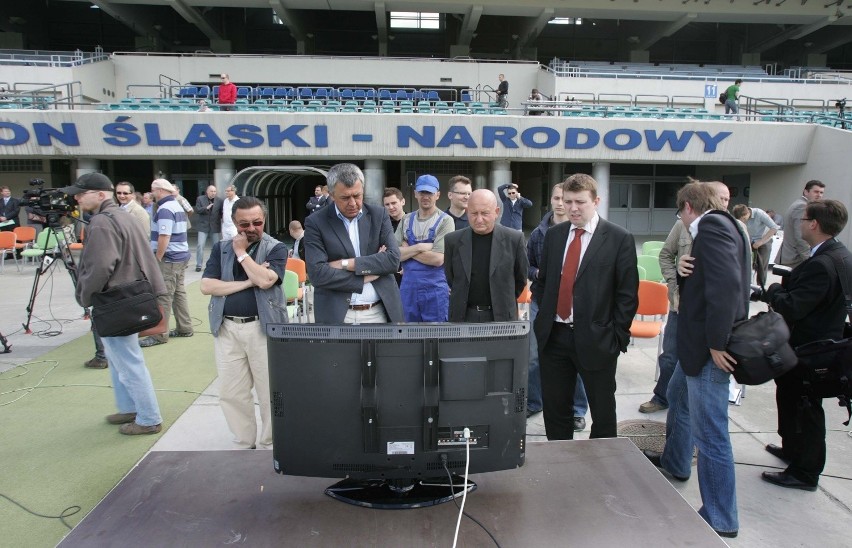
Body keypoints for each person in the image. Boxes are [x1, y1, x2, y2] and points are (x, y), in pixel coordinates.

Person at [645, 181, 749, 539]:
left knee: (711, 434)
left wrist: (718, 343)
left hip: (707, 351)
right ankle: (675, 462)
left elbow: (727, 287)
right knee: (676, 397)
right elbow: (715, 277)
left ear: (688, 207)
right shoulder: (728, 225)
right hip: (696, 349)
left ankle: (721, 516)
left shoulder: (713, 227)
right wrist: (690, 269)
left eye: (680, 214)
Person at [534, 174, 639, 440]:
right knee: (556, 409)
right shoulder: (555, 235)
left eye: (580, 202)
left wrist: (617, 337)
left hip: (598, 339)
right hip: (554, 337)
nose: (573, 208)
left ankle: (602, 466)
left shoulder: (618, 238)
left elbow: (627, 294)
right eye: (567, 201)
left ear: (596, 201)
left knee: (603, 412)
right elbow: (543, 281)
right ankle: (561, 461)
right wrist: (544, 319)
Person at [63, 172, 166, 435]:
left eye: (81, 193)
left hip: (117, 298)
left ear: (99, 195)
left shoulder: (101, 221)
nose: (76, 197)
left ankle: (148, 417)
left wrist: (84, 295)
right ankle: (131, 408)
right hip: (131, 295)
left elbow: (100, 265)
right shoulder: (122, 216)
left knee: (127, 360)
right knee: (122, 358)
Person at [760, 200, 852, 492]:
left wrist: (773, 289)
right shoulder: (840, 255)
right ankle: (792, 450)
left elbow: (794, 307)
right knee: (790, 401)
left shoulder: (822, 265)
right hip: (820, 344)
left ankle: (805, 472)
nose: (799, 223)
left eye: (803, 219)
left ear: (814, 224)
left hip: (810, 351)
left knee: (805, 409)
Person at [200, 196, 288, 449]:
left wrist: (241, 254)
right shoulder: (220, 248)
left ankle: (270, 443)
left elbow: (266, 281)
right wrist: (248, 281)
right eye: (244, 224)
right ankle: (243, 442)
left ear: (265, 220)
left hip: (263, 328)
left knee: (269, 391)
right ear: (234, 223)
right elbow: (207, 286)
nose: (251, 229)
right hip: (226, 328)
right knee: (231, 391)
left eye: (257, 222)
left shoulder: (276, 248)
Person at [639, 180, 732, 414]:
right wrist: (675, 281)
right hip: (680, 307)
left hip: (709, 315)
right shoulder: (683, 226)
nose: (721, 203)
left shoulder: (732, 230)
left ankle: (689, 404)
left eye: (726, 199)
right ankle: (662, 397)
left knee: (700, 367)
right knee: (671, 357)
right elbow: (665, 256)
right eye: (717, 198)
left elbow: (729, 285)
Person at [304, 163, 403, 324]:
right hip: (338, 315)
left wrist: (345, 264)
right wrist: (369, 274)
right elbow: (318, 274)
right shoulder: (315, 222)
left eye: (357, 196)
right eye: (345, 197)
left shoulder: (379, 215)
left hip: (380, 312)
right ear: (331, 195)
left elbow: (393, 260)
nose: (353, 203)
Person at [527, 183, 589, 429]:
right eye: (557, 198)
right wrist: (539, 273)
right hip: (541, 302)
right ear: (551, 201)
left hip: (573, 307)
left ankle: (576, 409)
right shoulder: (538, 234)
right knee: (533, 357)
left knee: (576, 358)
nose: (562, 203)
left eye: (566, 199)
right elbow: (527, 265)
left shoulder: (582, 233)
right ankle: (534, 402)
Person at [444, 189, 528, 322]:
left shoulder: (514, 239)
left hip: (501, 316)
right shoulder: (452, 241)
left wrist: (502, 300)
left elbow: (521, 278)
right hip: (463, 316)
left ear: (496, 212)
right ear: (467, 212)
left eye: (484, 213)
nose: (479, 219)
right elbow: (451, 278)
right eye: (474, 213)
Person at [139, 178, 193, 347]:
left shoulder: (165, 208)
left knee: (163, 295)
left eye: (152, 190)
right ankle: (185, 327)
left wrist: (157, 258)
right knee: (178, 293)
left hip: (169, 258)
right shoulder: (176, 205)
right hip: (180, 256)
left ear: (161, 190)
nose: (151, 194)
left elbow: (164, 236)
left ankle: (160, 334)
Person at [395, 175, 454, 322]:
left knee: (437, 336)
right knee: (409, 335)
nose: (425, 197)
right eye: (422, 192)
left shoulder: (446, 221)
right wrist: (422, 247)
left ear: (437, 195)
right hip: (408, 289)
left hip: (435, 291)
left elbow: (438, 259)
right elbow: (394, 254)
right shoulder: (406, 219)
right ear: (415, 193)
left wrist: (408, 249)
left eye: (430, 193)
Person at [777, 180, 826, 268]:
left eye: (821, 192)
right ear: (806, 192)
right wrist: (809, 259)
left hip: (793, 257)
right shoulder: (802, 207)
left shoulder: (801, 204)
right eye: (816, 192)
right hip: (795, 259)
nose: (819, 195)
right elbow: (800, 236)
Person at [733, 204, 778, 288]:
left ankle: (760, 289)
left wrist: (761, 242)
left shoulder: (759, 213)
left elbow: (774, 228)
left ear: (746, 214)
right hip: (750, 240)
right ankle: (747, 287)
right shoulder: (740, 218)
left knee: (762, 266)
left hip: (764, 241)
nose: (743, 222)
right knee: (746, 264)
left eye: (743, 219)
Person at [194, 185, 223, 272]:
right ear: (207, 191)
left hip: (215, 226)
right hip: (203, 226)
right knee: (200, 245)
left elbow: (221, 213)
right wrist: (206, 208)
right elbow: (197, 210)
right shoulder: (200, 199)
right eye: (211, 191)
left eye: (214, 191)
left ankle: (215, 264)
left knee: (216, 246)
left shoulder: (219, 201)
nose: (213, 193)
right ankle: (199, 265)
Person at [382, 187, 406, 285]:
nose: (391, 207)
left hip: (408, 276)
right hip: (388, 277)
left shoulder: (413, 222)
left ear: (402, 202)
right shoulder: (382, 226)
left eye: (394, 203)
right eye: (387, 204)